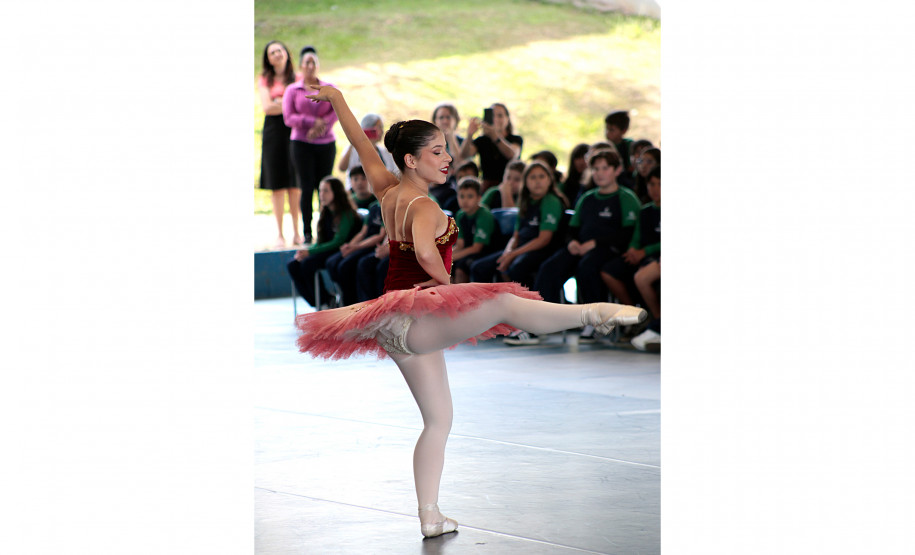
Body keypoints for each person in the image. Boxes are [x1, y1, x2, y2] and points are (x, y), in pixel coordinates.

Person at [296, 84, 647, 538]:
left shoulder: (386, 192)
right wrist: (449, 287)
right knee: (501, 301)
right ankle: (592, 313)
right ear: (410, 160)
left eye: (446, 150)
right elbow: (425, 253)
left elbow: (360, 143)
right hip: (417, 316)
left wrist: (338, 98)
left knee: (438, 420)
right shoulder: (423, 204)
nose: (447, 158)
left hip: (390, 323)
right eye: (437, 151)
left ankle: (430, 516)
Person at [533, 149, 642, 343]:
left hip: (610, 249)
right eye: (596, 168)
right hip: (581, 248)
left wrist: (596, 243)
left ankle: (595, 322)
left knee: (587, 267)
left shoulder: (626, 197)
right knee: (550, 267)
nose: (599, 173)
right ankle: (544, 320)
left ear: (617, 170)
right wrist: (572, 242)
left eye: (605, 168)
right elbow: (573, 228)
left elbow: (628, 233)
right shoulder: (587, 198)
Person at [468, 160, 568, 292]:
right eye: (533, 177)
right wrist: (507, 253)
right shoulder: (525, 202)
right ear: (525, 182)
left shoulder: (550, 201)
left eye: (542, 176)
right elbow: (516, 236)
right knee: (479, 267)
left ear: (549, 180)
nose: (538, 181)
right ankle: (488, 309)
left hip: (542, 249)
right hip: (522, 247)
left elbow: (544, 239)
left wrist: (513, 254)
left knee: (516, 268)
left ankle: (524, 308)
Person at [602, 165, 661, 351]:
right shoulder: (645, 211)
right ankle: (635, 317)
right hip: (643, 255)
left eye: (660, 184)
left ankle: (657, 321)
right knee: (610, 270)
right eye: (651, 184)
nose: (655, 189)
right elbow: (636, 236)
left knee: (641, 277)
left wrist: (646, 251)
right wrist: (633, 251)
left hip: (655, 256)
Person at [284, 46, 338, 244]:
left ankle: (326, 230)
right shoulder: (293, 89)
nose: (310, 65)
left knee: (324, 188)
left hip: (326, 144)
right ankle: (307, 232)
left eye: (313, 62)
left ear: (318, 65)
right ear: (300, 65)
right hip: (301, 144)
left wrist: (322, 128)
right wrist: (311, 122)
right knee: (306, 187)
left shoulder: (329, 88)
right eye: (306, 62)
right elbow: (289, 117)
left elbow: (336, 111)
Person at [286, 176, 361, 309]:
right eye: (320, 191)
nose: (321, 195)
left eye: (326, 191)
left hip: (339, 251)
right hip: (326, 250)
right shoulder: (326, 213)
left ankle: (325, 301)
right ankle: (319, 301)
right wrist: (306, 250)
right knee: (293, 264)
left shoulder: (346, 213)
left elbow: (338, 241)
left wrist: (310, 252)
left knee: (308, 264)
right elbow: (321, 241)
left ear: (336, 193)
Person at [258, 40, 301, 248]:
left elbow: (302, 105)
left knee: (295, 184)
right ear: (268, 58)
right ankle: (280, 234)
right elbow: (267, 107)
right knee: (277, 184)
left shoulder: (298, 78)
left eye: (279, 50)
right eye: (272, 52)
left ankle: (297, 231)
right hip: (274, 133)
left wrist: (280, 103)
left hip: (294, 131)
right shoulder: (264, 79)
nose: (276, 54)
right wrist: (288, 103)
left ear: (286, 53)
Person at [325, 195, 387, 305]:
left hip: (372, 246)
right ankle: (344, 301)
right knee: (333, 262)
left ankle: (363, 304)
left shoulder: (387, 206)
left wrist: (355, 247)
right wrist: (350, 245)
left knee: (355, 264)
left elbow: (380, 235)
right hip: (363, 244)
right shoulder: (373, 207)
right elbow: (363, 232)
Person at [459, 103, 523, 190]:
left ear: (507, 119)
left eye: (500, 116)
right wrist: (470, 134)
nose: (495, 119)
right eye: (492, 115)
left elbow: (512, 154)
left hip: (511, 187)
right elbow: (464, 155)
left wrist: (494, 136)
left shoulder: (516, 139)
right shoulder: (482, 140)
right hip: (487, 187)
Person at [451, 178, 498, 283]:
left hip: (487, 252)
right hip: (470, 251)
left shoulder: (484, 214)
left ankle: (464, 298)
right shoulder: (460, 215)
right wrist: (446, 255)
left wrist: (452, 257)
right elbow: (460, 245)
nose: (465, 201)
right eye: (461, 196)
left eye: (470, 196)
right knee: (448, 266)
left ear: (479, 198)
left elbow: (477, 248)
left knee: (461, 268)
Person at [338, 113, 398, 192]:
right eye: (379, 127)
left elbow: (394, 173)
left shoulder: (385, 152)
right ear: (368, 129)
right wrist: (355, 140)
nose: (382, 131)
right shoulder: (353, 150)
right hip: (355, 194)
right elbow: (342, 168)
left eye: (382, 128)